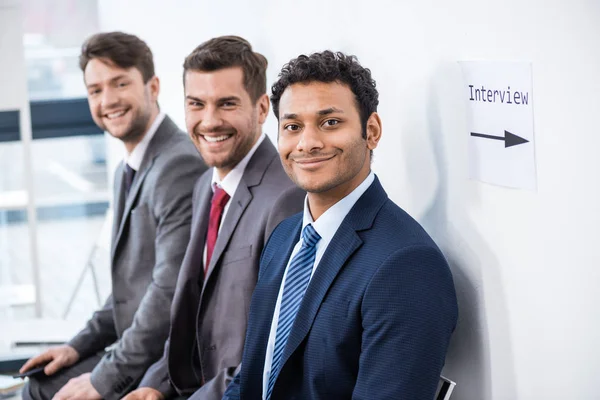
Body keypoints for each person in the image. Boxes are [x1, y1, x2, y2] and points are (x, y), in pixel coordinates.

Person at [223, 51, 459, 400]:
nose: (308, 143)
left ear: (372, 131)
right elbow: (252, 377)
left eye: (330, 122)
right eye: (292, 127)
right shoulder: (284, 237)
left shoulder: (406, 265)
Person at [20, 32, 207, 400]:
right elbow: (131, 291)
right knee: (41, 379)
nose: (108, 100)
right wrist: (77, 346)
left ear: (152, 87)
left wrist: (104, 378)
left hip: (168, 364)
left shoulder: (177, 164)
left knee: (39, 392)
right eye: (95, 90)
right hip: (139, 345)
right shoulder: (133, 165)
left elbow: (168, 293)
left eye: (121, 83)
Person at [123, 36, 304, 400]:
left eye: (226, 104)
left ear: (262, 108)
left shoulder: (287, 199)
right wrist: (151, 387)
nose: (209, 121)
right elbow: (192, 316)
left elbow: (274, 349)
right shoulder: (207, 183)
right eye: (196, 104)